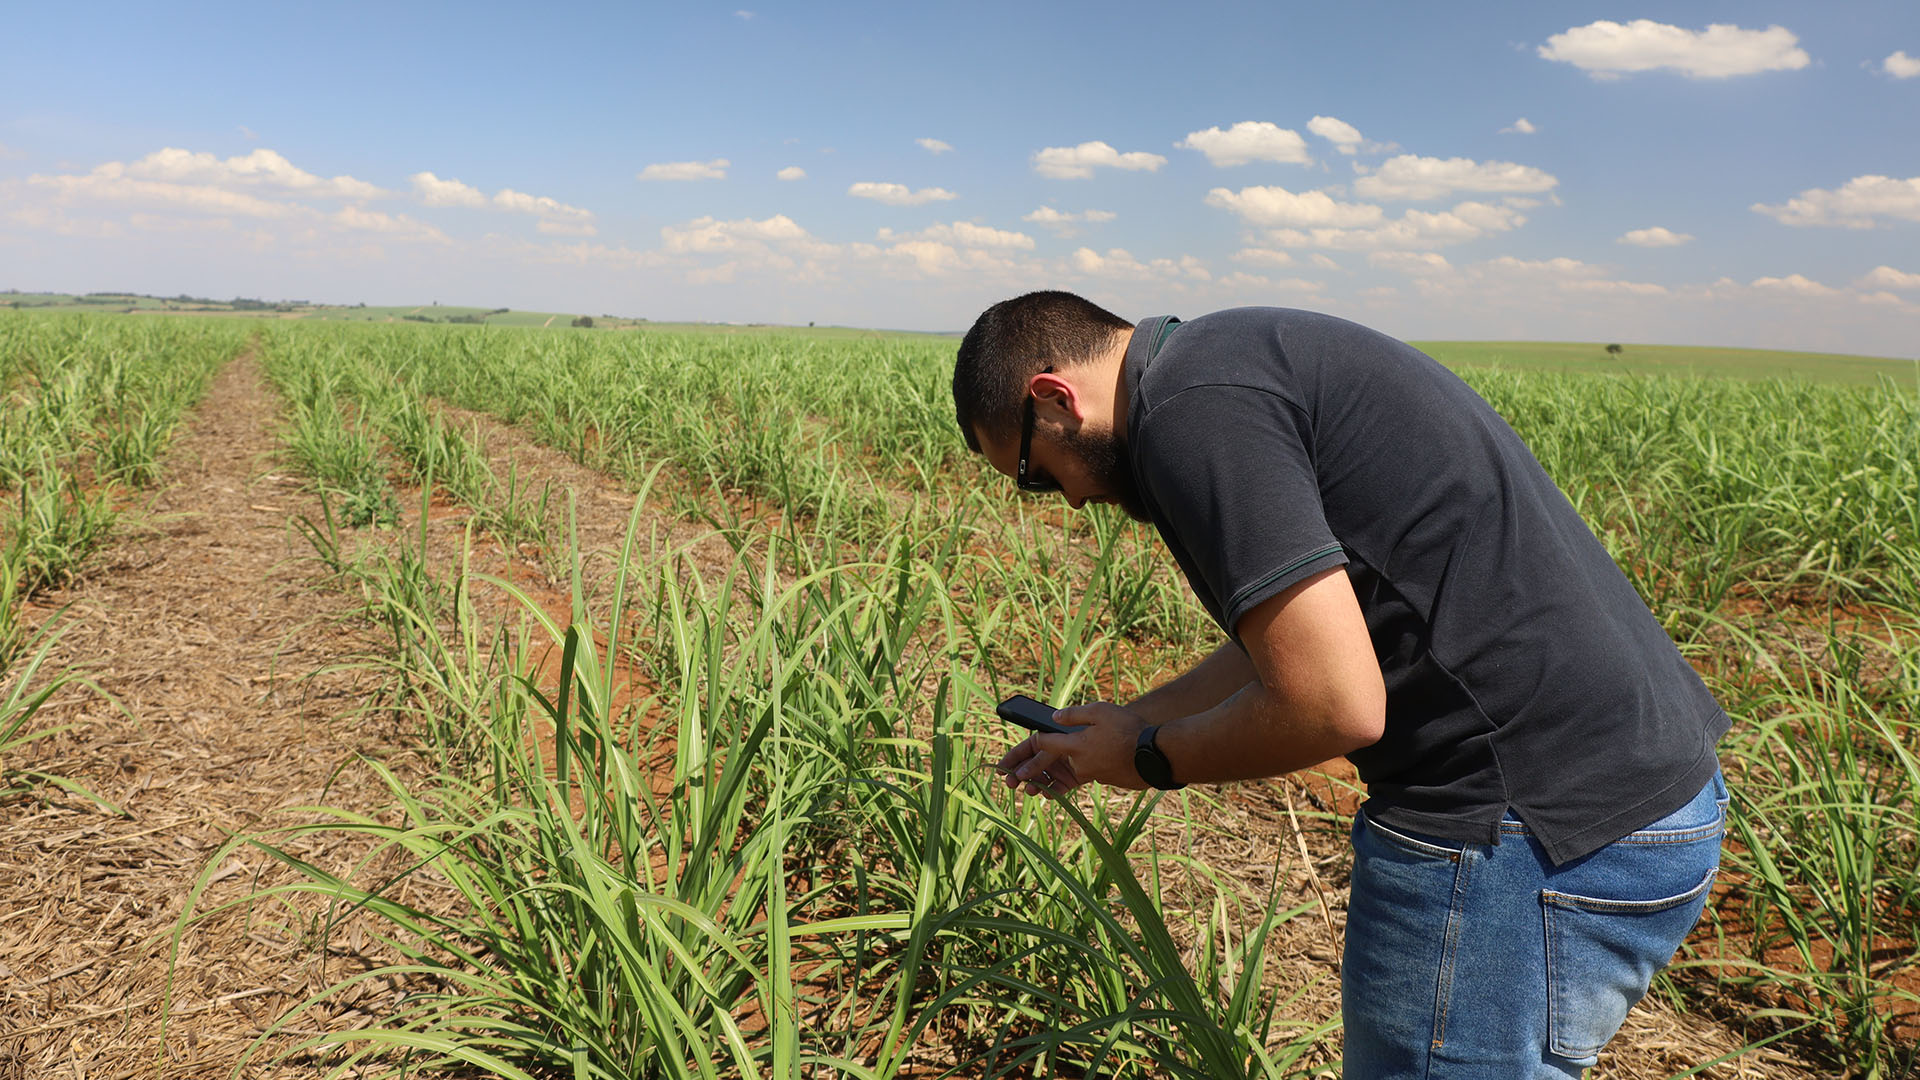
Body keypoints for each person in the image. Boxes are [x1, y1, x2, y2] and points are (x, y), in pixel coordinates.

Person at [953, 291, 1730, 1079]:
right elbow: (1300, 636)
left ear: (1052, 400)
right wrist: (1130, 720)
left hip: (1520, 835)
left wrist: (1151, 757)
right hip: (1646, 799)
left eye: (1034, 474)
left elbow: (1333, 701)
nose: (1072, 500)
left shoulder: (1189, 414)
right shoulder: (1229, 359)